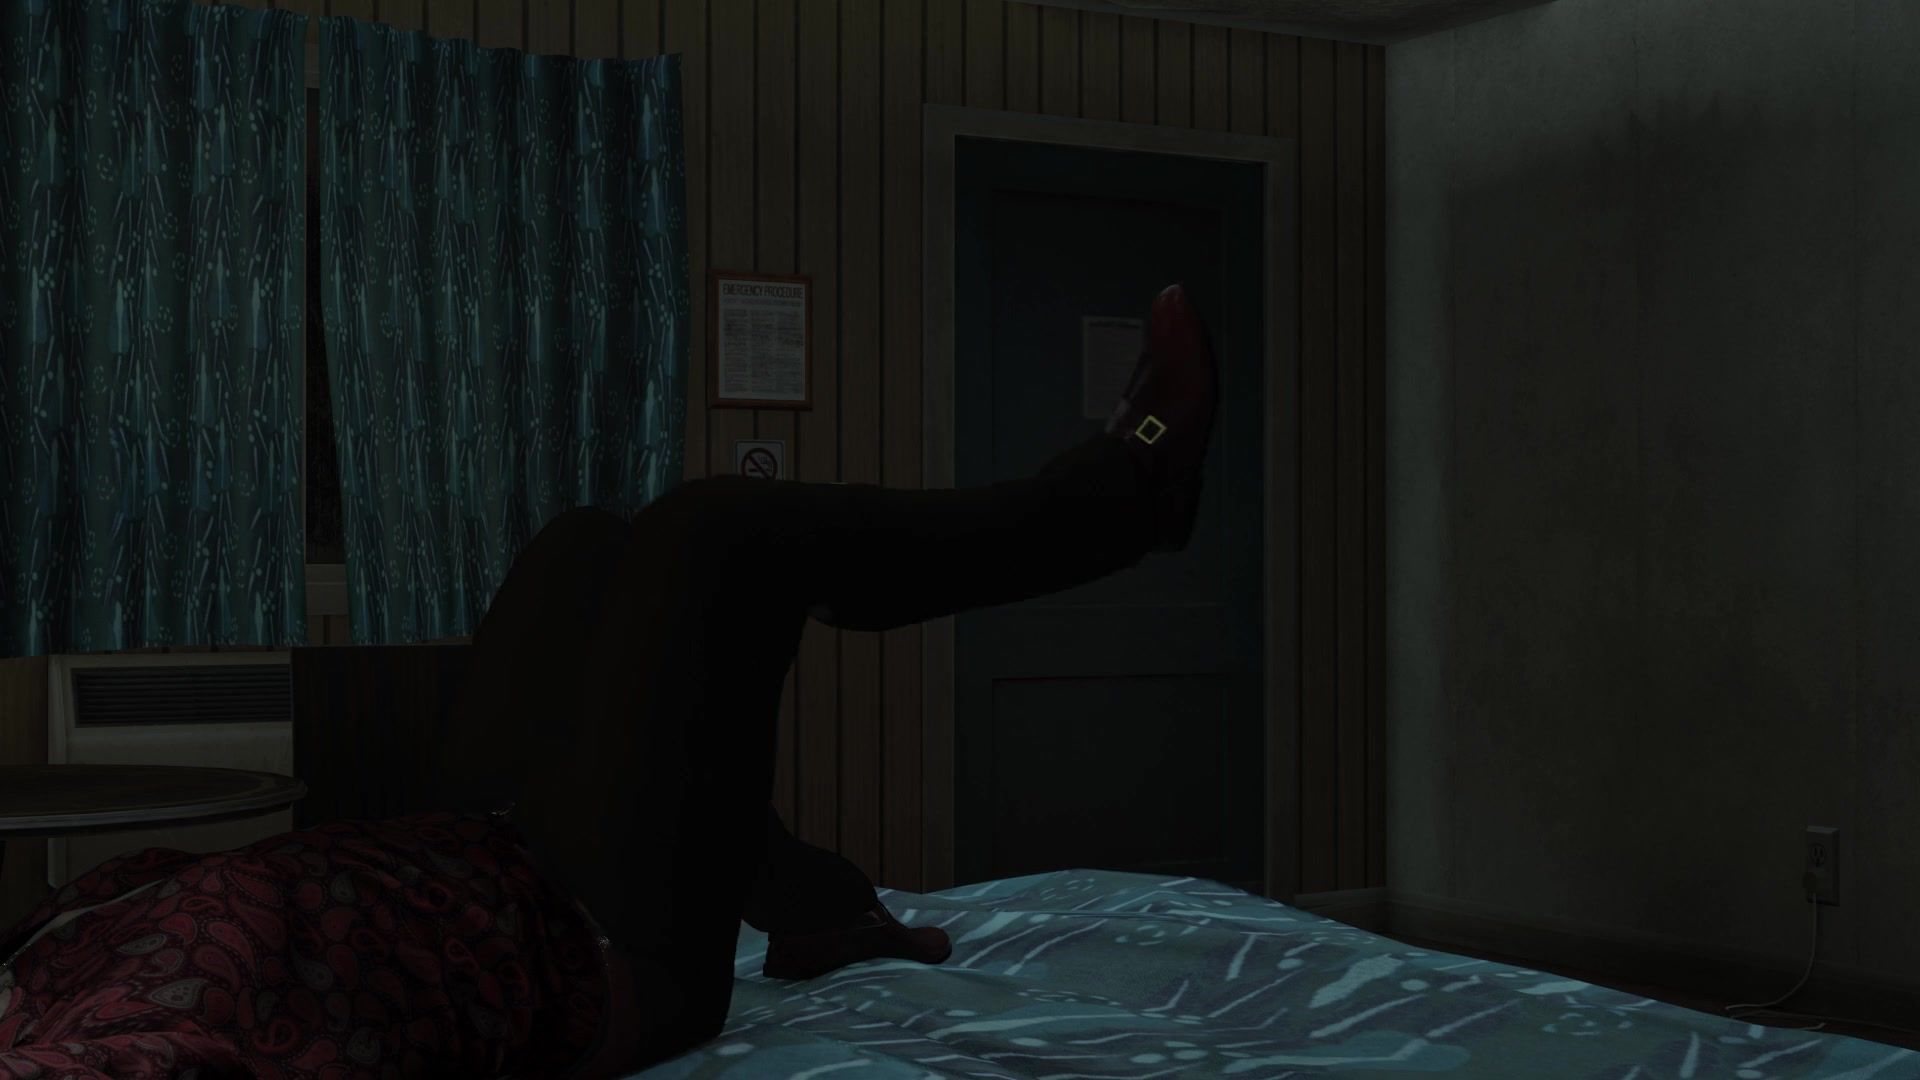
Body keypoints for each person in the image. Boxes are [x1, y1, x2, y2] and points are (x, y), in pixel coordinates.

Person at [0, 284, 1218, 1079]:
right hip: (583, 954)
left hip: (455, 859)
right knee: (716, 533)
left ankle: (811, 899)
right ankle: (1126, 497)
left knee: (584, 545)